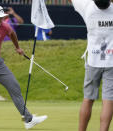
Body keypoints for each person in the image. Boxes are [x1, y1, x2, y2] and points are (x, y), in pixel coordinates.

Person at [70, 0, 113, 131]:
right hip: (111, 61)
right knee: (108, 101)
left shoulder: (87, 7)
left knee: (88, 99)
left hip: (93, 60)